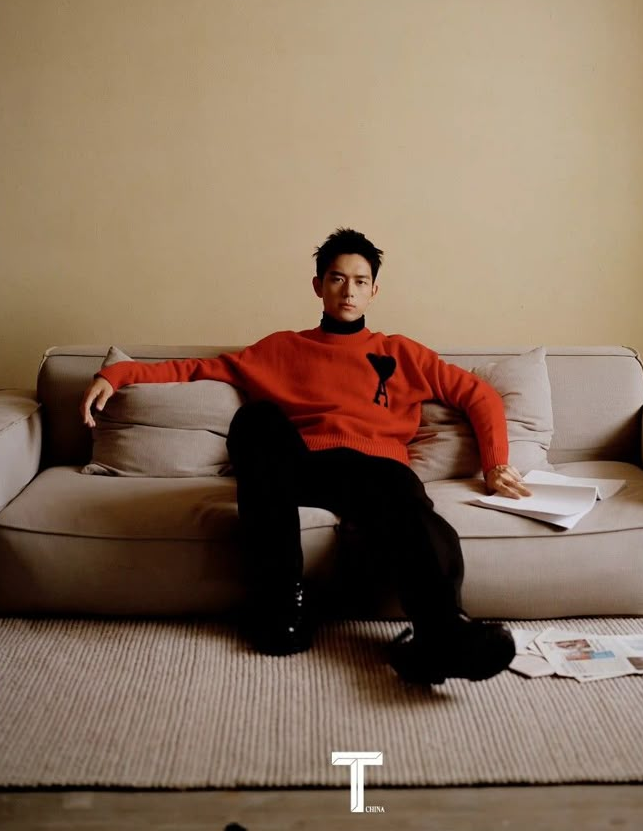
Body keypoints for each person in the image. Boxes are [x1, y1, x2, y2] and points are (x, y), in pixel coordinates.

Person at [81, 228, 531, 685]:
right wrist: (116, 374)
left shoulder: (402, 353)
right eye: (337, 278)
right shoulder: (280, 348)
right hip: (304, 468)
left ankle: (442, 635)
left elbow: (479, 395)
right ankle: (281, 609)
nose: (348, 291)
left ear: (375, 291)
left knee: (414, 513)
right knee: (255, 420)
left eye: (359, 281)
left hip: (379, 474)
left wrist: (495, 465)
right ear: (318, 285)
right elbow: (193, 368)